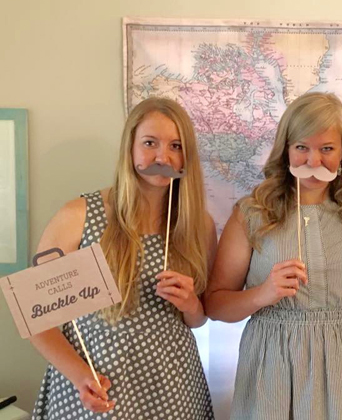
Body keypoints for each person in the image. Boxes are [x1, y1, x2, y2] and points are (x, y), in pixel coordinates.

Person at [205, 92, 342, 419]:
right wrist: (262, 294)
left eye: (327, 149)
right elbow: (215, 305)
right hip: (274, 363)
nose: (313, 162)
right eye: (302, 147)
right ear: (286, 149)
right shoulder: (252, 214)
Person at [30, 98, 217, 419]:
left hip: (173, 390)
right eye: (149, 143)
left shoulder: (197, 225)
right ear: (129, 148)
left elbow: (199, 319)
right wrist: (80, 376)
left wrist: (190, 305)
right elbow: (36, 317)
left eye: (176, 145)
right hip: (96, 387)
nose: (163, 156)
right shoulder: (79, 216)